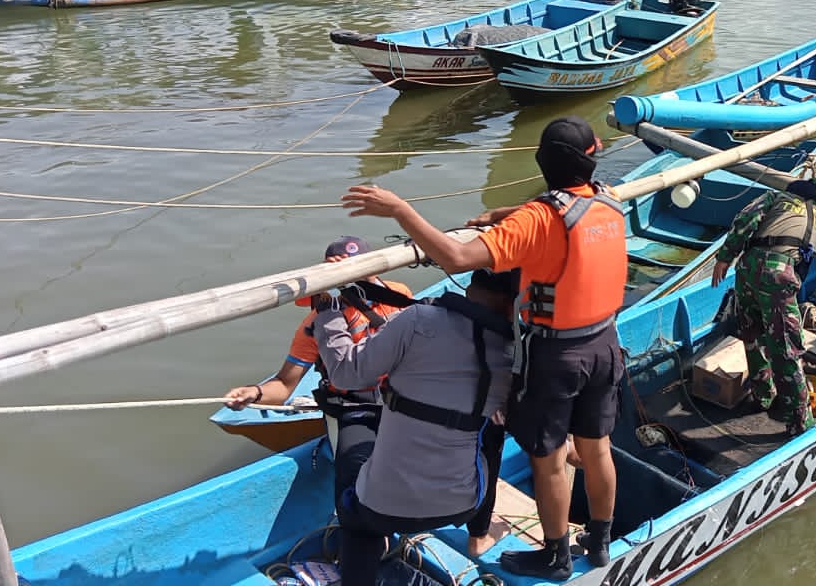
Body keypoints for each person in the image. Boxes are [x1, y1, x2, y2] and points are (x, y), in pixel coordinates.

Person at [341, 115, 625, 581]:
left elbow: (455, 257)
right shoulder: (608, 203)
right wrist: (503, 217)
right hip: (604, 344)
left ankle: (554, 555)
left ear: (541, 162)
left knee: (550, 457)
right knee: (597, 449)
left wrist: (400, 210)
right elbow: (562, 210)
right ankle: (599, 541)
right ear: (593, 160)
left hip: (557, 357)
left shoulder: (539, 218)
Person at [311, 267, 519, 586]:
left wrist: (328, 312)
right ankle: (480, 532)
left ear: (468, 287)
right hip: (461, 505)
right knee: (491, 430)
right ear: (513, 303)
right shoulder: (517, 351)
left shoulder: (418, 320)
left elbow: (345, 374)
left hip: (382, 508)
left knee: (354, 483)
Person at [222, 237, 412, 511]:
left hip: (403, 398)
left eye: (360, 268)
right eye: (342, 272)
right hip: (354, 408)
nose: (353, 277)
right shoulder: (316, 324)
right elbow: (284, 386)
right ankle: (362, 531)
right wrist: (254, 393)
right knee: (353, 477)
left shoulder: (397, 294)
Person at [711, 179, 816, 436]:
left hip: (747, 269)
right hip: (778, 276)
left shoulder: (773, 198)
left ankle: (763, 395)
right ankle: (800, 422)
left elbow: (745, 219)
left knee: (752, 335)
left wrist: (725, 257)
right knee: (787, 349)